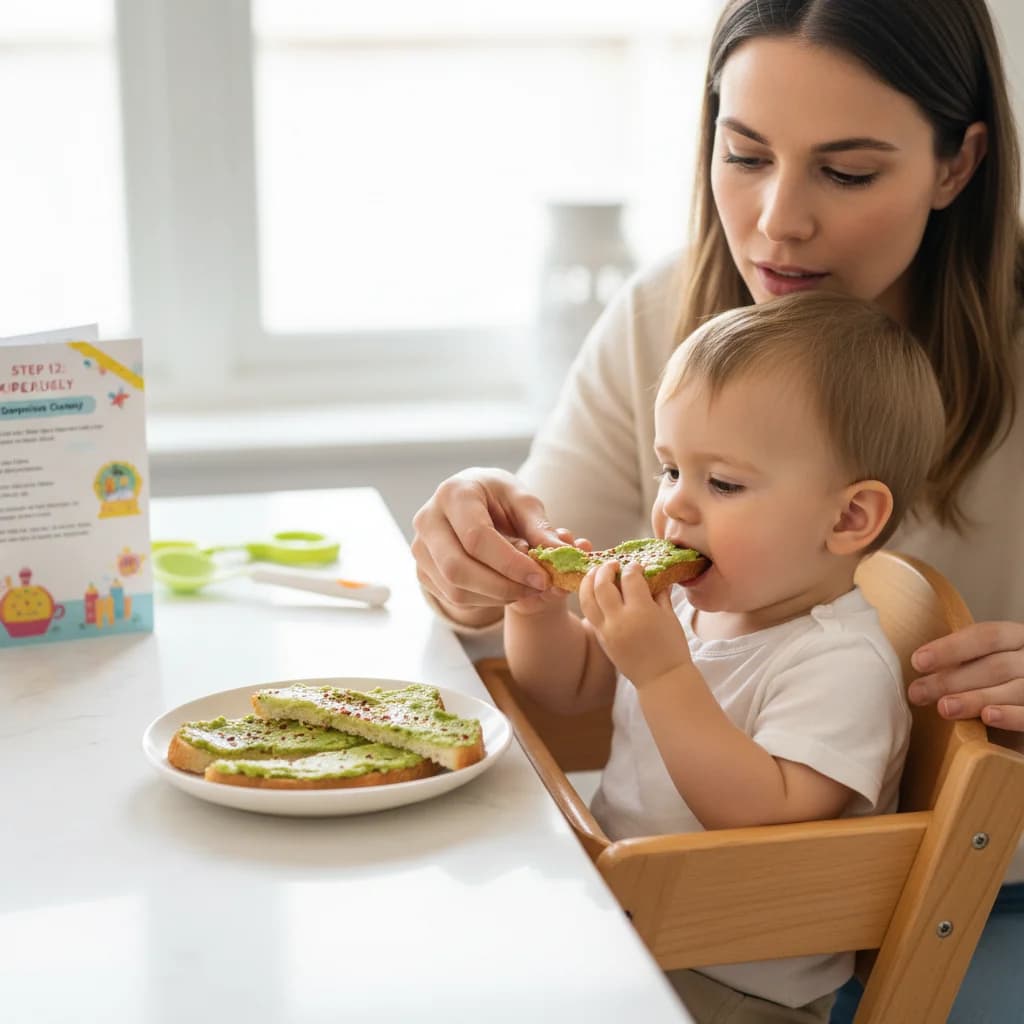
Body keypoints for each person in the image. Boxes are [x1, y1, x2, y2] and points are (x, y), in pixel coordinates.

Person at [410, 1, 1024, 1019]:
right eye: (742, 153)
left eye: (848, 170)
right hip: (658, 915)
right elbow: (548, 626)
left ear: (956, 165)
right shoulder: (670, 318)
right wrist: (492, 560)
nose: (778, 221)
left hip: (934, 916)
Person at [505, 292, 945, 1022]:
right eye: (670, 469)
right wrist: (538, 610)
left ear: (847, 518)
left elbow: (763, 816)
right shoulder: (689, 606)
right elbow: (568, 690)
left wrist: (663, 672)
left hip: (736, 987)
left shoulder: (840, 662)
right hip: (630, 926)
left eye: (723, 482)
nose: (675, 507)